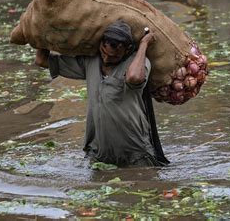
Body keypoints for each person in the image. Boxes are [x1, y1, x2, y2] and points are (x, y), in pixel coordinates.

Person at [34, 20, 169, 167]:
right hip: (99, 153)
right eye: (104, 52)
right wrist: (44, 31)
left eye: (113, 56)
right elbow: (41, 60)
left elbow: (134, 77)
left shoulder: (137, 62)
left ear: (128, 49)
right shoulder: (90, 62)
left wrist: (144, 45)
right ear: (100, 45)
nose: (106, 58)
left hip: (135, 153)